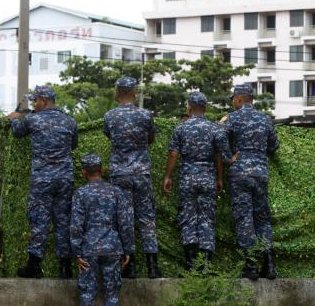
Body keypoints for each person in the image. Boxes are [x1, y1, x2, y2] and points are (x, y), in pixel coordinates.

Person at [7, 85, 79, 279]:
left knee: (39, 220)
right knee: (63, 221)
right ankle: (65, 268)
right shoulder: (69, 121)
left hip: (42, 179)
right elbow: (74, 145)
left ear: (44, 101)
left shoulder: (33, 119)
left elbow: (18, 132)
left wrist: (14, 118)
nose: (33, 104)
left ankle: (34, 266)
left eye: (35, 100)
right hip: (64, 178)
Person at [163, 92, 231, 271]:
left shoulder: (181, 128)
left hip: (187, 178)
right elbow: (220, 156)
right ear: (206, 108)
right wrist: (220, 178)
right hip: (208, 178)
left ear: (189, 107)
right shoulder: (215, 129)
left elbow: (173, 154)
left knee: (188, 217)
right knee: (207, 218)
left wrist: (168, 176)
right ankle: (206, 263)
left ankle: (190, 262)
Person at [103, 76, 162, 279]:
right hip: (141, 172)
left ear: (118, 93)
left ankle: (129, 267)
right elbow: (151, 139)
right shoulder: (145, 115)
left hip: (119, 173)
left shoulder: (110, 116)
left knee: (123, 219)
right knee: (147, 219)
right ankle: (153, 266)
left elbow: (110, 137)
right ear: (134, 92)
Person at [222, 83, 279, 280]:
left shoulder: (232, 118)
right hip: (260, 173)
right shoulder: (265, 119)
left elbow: (219, 137)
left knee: (244, 216)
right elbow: (274, 145)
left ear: (238, 99)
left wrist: (228, 157)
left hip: (239, 174)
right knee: (262, 218)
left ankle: (250, 265)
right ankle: (269, 264)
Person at [71, 154, 134, 306]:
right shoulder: (116, 192)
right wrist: (128, 249)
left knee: (87, 294)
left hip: (88, 248)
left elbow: (76, 225)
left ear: (84, 172)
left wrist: (76, 252)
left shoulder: (80, 193)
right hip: (112, 248)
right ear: (102, 169)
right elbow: (125, 222)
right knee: (112, 295)